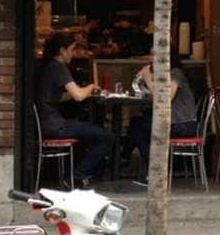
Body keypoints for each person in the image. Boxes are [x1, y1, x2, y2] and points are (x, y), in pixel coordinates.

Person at [35, 32, 112, 189]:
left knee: (89, 131)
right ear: (62, 50)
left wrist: (75, 93)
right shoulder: (59, 67)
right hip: (55, 125)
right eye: (71, 49)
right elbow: (78, 96)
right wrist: (90, 87)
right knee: (107, 136)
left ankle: (76, 174)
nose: (73, 53)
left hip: (45, 124)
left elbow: (58, 98)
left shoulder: (46, 66)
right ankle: (76, 176)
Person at [123, 55, 199, 187]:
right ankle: (145, 167)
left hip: (183, 125)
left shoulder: (175, 73)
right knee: (137, 124)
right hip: (173, 122)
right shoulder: (164, 74)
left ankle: (147, 169)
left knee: (138, 128)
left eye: (154, 53)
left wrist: (147, 77)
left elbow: (165, 98)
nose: (151, 57)